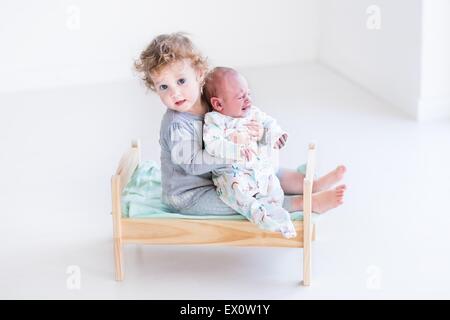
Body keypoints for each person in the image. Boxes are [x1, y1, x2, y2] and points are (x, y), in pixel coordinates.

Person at [133, 32, 346, 221]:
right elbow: (192, 165)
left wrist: (262, 135)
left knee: (263, 172)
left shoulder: (212, 104)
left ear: (199, 74)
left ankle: (311, 184)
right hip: (192, 194)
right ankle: (302, 204)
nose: (175, 93)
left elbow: (242, 122)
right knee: (241, 199)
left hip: (222, 174)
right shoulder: (176, 125)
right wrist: (235, 153)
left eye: (181, 81)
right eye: (163, 87)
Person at [203, 67, 299, 238]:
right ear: (218, 104)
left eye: (248, 94)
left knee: (273, 187)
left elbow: (269, 123)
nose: (248, 100)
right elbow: (212, 144)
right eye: (241, 97)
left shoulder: (253, 113)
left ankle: (279, 217)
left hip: (257, 168)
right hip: (231, 172)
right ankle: (258, 215)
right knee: (237, 192)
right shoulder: (215, 120)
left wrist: (275, 135)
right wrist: (235, 148)